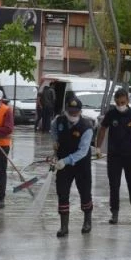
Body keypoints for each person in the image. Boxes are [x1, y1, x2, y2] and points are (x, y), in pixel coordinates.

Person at [95, 88, 131, 226]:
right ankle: (114, 213)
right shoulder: (111, 114)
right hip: (114, 156)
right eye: (118, 103)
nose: (120, 105)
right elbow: (103, 130)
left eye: (123, 102)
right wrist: (98, 147)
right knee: (114, 186)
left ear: (128, 101)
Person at [51, 97, 94, 237]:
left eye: (75, 113)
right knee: (62, 193)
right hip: (63, 165)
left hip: (81, 165)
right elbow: (54, 132)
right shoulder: (58, 121)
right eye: (70, 112)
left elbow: (82, 151)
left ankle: (87, 220)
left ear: (80, 112)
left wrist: (66, 160)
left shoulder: (86, 127)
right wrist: (55, 142)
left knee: (85, 192)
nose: (72, 115)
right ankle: (64, 227)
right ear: (66, 110)